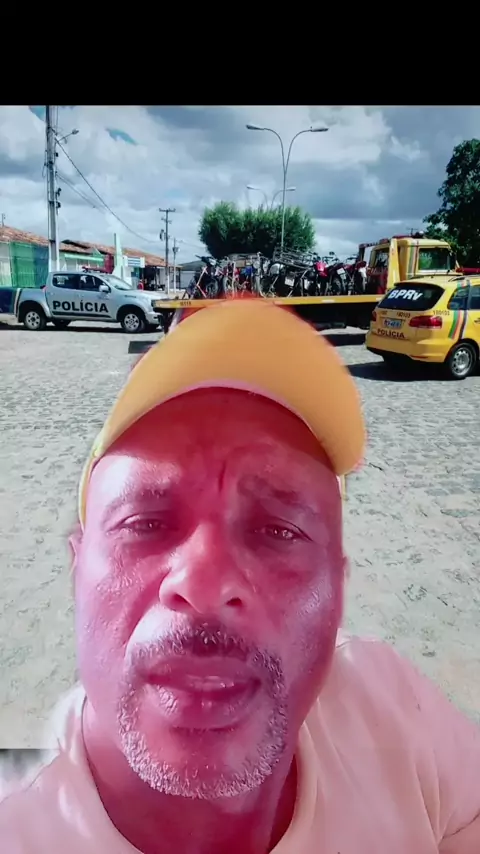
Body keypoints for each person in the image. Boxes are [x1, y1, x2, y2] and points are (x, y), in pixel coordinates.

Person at [1, 300, 479, 853]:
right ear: (77, 566)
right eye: (145, 524)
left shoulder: (389, 701)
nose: (205, 586)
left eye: (278, 530)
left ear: (338, 588)